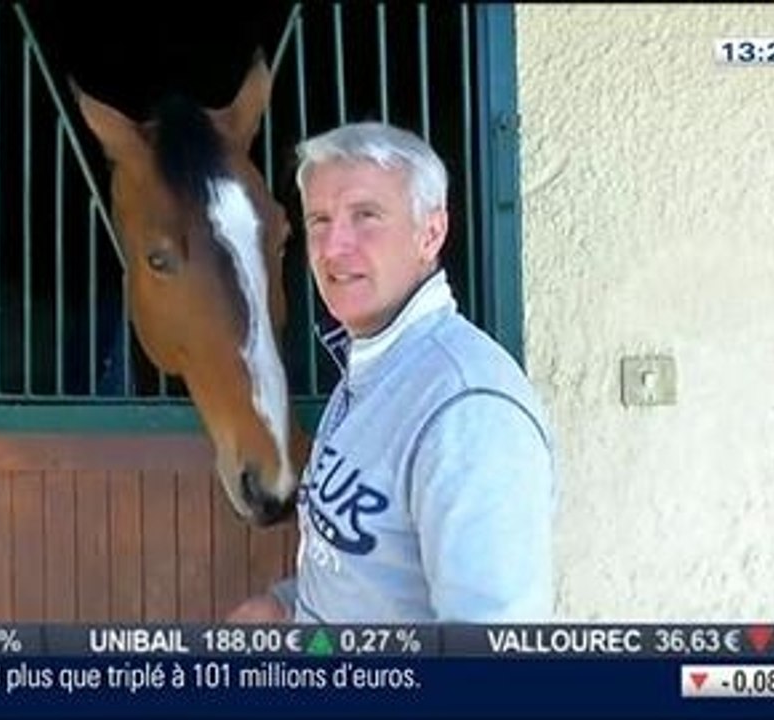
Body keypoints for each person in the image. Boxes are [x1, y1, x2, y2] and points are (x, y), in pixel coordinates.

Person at [227, 121, 557, 623]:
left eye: (366, 216)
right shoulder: (370, 365)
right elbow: (374, 572)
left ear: (431, 233)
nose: (334, 247)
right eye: (319, 220)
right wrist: (285, 607)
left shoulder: (468, 410)